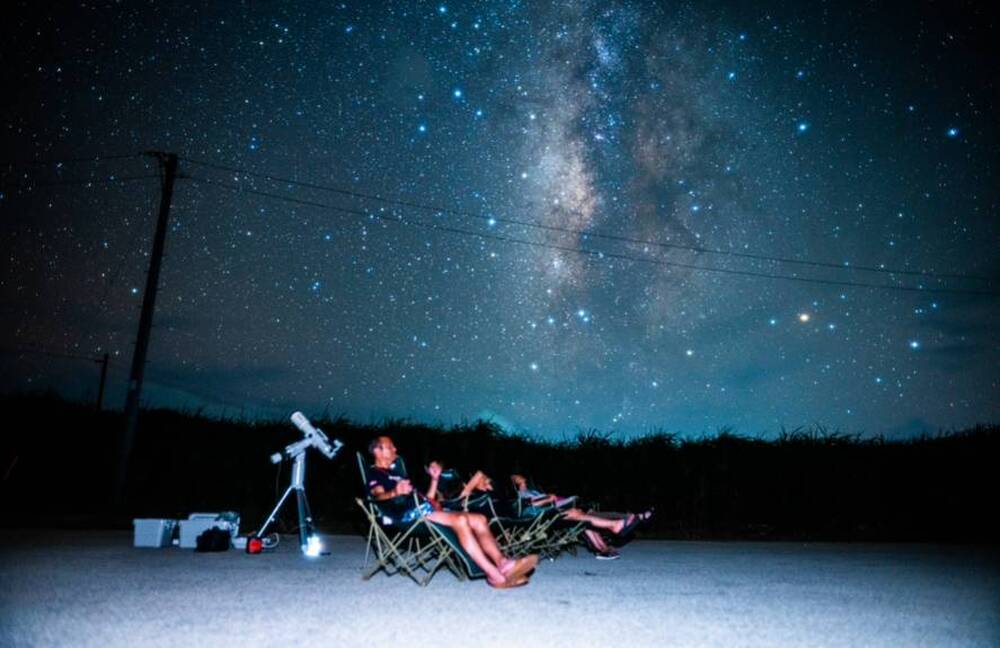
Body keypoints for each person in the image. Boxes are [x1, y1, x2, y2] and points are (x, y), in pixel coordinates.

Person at [367, 436, 538, 589]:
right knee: (461, 520)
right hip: (406, 516)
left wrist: (434, 479)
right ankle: (494, 575)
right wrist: (395, 493)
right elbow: (378, 495)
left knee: (479, 519)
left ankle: (503, 563)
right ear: (377, 451)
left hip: (424, 509)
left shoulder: (397, 473)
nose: (395, 449)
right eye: (390, 447)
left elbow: (428, 498)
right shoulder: (375, 473)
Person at [510, 473, 652, 560]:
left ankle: (604, 546)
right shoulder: (521, 494)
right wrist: (548, 499)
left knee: (585, 516)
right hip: (547, 514)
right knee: (581, 516)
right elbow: (527, 505)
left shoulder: (532, 491)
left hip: (558, 509)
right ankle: (621, 523)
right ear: (515, 483)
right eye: (516, 477)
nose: (520, 476)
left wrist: (557, 499)